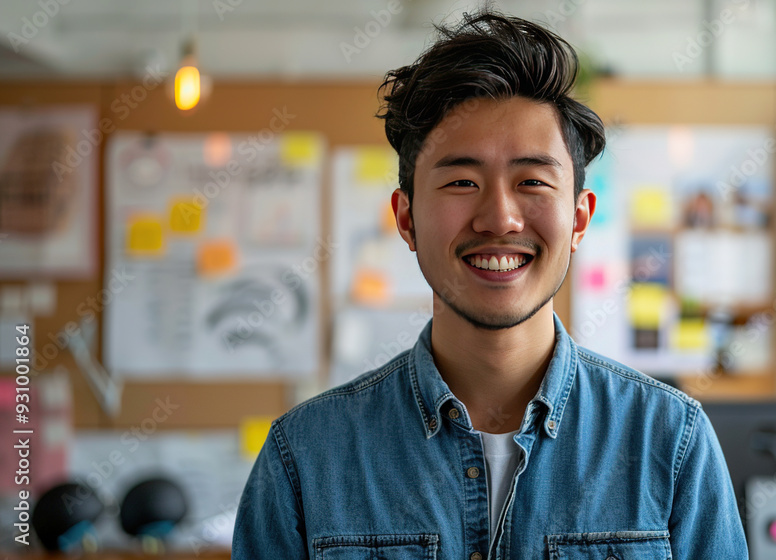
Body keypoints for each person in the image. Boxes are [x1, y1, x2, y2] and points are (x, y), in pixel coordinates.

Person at [233, 9, 748, 559]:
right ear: (406, 219)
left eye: (532, 181)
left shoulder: (670, 441)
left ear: (579, 219)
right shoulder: (304, 458)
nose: (499, 218)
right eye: (461, 181)